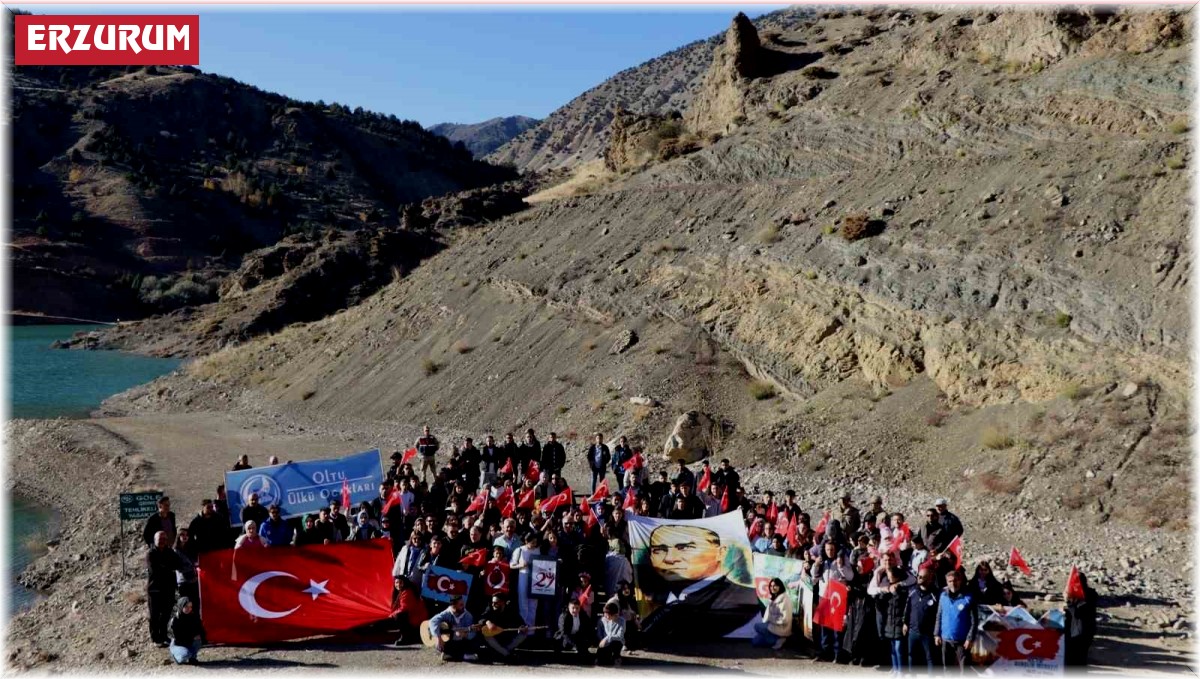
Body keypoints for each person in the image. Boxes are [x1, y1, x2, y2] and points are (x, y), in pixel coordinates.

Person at [639, 524, 760, 640]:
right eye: (659, 550)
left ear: (720, 553)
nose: (669, 558)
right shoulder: (654, 595)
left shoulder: (744, 598)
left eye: (684, 547)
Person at [934, 568, 977, 672]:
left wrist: (970, 638)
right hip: (946, 639)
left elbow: (974, 621)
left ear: (960, 581)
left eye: (955, 580)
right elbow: (939, 616)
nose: (953, 583)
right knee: (948, 669)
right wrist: (936, 634)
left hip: (962, 641)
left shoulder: (968, 598)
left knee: (965, 670)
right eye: (950, 581)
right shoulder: (943, 596)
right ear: (946, 582)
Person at [146, 531, 183, 647]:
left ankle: (163, 636)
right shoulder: (151, 553)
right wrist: (169, 568)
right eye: (160, 539)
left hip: (169, 588)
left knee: (166, 614)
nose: (162, 541)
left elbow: (178, 564)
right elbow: (155, 570)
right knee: (155, 615)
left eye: (164, 539)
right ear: (155, 540)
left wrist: (165, 566)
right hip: (155, 589)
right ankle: (155, 638)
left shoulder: (170, 552)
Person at [903, 565, 940, 674]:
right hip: (913, 631)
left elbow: (939, 615)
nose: (919, 578)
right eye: (918, 576)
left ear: (929, 579)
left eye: (922, 577)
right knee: (911, 655)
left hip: (928, 633)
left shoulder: (936, 594)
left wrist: (937, 633)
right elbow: (907, 608)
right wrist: (905, 623)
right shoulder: (912, 592)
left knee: (930, 658)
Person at [477, 593, 531, 662]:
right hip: (495, 638)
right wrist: (488, 622)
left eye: (495, 603)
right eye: (492, 602)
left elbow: (520, 622)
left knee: (523, 635)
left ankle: (500, 652)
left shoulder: (511, 610)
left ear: (502, 602)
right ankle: (507, 654)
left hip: (507, 638)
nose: (493, 604)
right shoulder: (490, 608)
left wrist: (523, 627)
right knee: (487, 635)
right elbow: (481, 619)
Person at [878, 567, 910, 673]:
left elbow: (902, 604)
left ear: (896, 577)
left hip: (899, 623)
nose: (889, 578)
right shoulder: (888, 588)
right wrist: (883, 593)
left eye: (890, 576)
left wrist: (895, 592)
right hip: (890, 623)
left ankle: (901, 671)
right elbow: (881, 604)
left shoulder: (903, 589)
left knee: (898, 649)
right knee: (892, 649)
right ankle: (895, 669)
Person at [427, 596, 478, 662]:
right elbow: (432, 621)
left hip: (462, 642)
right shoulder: (447, 613)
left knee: (474, 643)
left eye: (463, 604)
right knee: (445, 640)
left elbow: (473, 633)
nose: (463, 606)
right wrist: (438, 637)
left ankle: (452, 654)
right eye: (461, 605)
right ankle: (458, 655)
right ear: (453, 606)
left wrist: (465, 635)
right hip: (450, 642)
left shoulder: (468, 616)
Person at [1063, 571, 1098, 666]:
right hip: (1081, 630)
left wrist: (1068, 601)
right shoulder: (1089, 593)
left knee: (1076, 659)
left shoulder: (1087, 596)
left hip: (1080, 632)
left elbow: (1077, 613)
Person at [752, 577, 793, 650]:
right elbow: (767, 615)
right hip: (772, 626)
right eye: (771, 586)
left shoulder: (785, 600)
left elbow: (785, 619)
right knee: (754, 641)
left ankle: (779, 638)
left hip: (781, 628)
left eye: (775, 586)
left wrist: (771, 619)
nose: (772, 588)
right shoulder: (774, 598)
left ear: (780, 586)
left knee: (757, 626)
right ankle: (775, 639)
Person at [510, 533, 540, 628]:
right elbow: (511, 565)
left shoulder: (537, 550)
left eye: (535, 542)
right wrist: (521, 565)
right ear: (526, 541)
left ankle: (531, 629)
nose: (534, 544)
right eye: (532, 542)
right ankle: (523, 628)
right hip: (523, 576)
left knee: (533, 604)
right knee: (523, 603)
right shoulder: (519, 550)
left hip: (535, 578)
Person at [389, 576, 429, 645]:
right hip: (415, 618)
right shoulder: (404, 591)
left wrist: (392, 615)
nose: (398, 585)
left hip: (417, 620)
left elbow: (404, 608)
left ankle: (406, 638)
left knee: (399, 616)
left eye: (400, 583)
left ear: (405, 583)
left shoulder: (407, 592)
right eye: (396, 583)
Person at [556, 597, 595, 664]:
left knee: (584, 649)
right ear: (569, 607)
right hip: (565, 638)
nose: (575, 610)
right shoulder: (563, 616)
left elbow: (589, 627)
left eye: (577, 608)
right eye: (573, 608)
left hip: (577, 637)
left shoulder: (583, 615)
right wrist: (575, 644)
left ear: (580, 608)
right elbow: (564, 633)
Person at [167, 596, 205, 664]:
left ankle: (192, 658)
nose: (189, 609)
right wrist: (191, 637)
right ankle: (175, 657)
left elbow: (201, 630)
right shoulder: (175, 619)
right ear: (181, 606)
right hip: (177, 644)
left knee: (198, 641)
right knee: (185, 655)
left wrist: (199, 635)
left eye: (190, 607)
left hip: (189, 642)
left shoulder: (194, 617)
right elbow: (176, 637)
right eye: (186, 606)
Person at [596, 601, 627, 666]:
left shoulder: (622, 621)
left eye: (609, 615)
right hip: (606, 642)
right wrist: (603, 640)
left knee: (615, 643)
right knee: (601, 660)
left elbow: (619, 636)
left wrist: (607, 638)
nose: (607, 617)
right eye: (606, 614)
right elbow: (600, 633)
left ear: (615, 614)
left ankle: (616, 657)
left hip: (616, 642)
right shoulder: (603, 620)